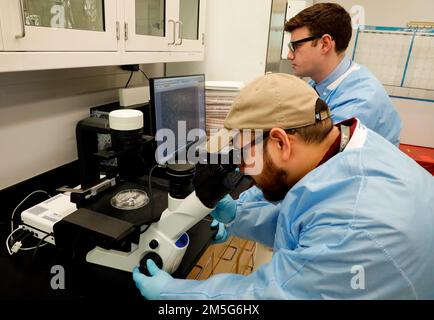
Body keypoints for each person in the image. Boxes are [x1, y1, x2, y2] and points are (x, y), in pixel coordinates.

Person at [132, 73, 434, 299]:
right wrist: (238, 216)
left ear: (280, 142)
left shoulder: (353, 227)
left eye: (244, 152)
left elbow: (267, 297)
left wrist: (173, 296)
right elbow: (310, 221)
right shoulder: (353, 148)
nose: (242, 166)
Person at [284, 2, 402, 146]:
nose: (289, 55)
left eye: (296, 46)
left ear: (325, 44)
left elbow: (319, 153)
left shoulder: (360, 102)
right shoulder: (319, 83)